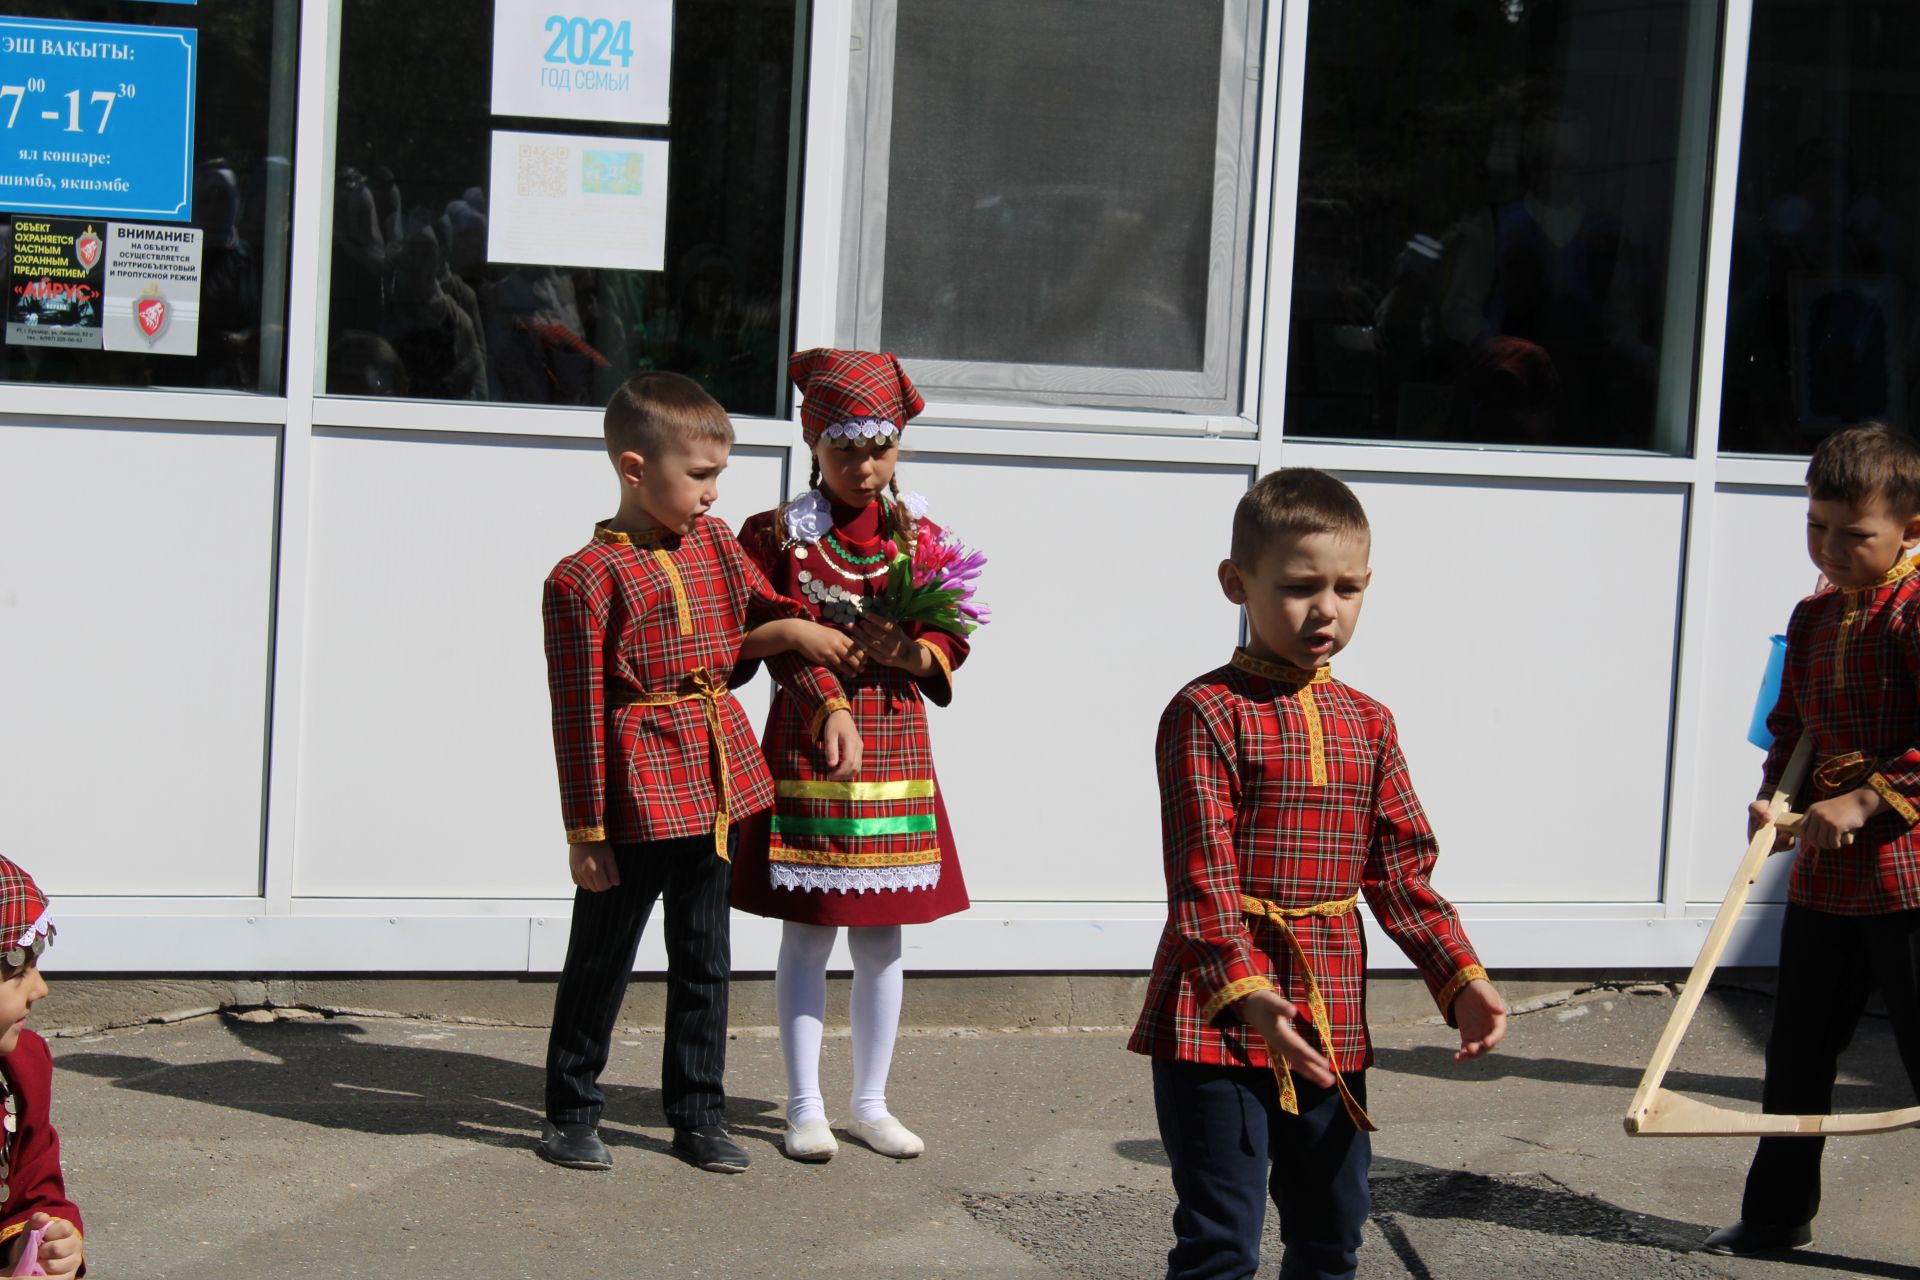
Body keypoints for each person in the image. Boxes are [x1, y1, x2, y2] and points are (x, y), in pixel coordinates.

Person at [1128, 468, 1508, 1280]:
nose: (1326, 609)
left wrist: (1459, 976)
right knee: (1222, 1242)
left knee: (1332, 1229)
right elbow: (1201, 879)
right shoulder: (1206, 711)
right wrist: (1251, 995)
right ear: (1237, 582)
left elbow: (1402, 873)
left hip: (1331, 1013)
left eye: (1348, 588)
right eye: (1300, 586)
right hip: (1217, 1022)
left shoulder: (1369, 722)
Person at [538, 371, 862, 1175]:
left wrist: (829, 704)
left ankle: (697, 1112)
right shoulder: (582, 579)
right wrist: (587, 832)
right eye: (701, 475)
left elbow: (771, 629)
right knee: (601, 958)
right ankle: (573, 1109)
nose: (716, 494)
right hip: (636, 791)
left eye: (720, 474)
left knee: (704, 958)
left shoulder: (716, 545)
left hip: (718, 781)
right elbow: (576, 715)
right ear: (634, 468)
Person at [730, 348, 972, 1163]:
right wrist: (830, 697)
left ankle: (870, 1101)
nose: (865, 467)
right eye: (846, 448)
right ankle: (804, 1105)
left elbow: (951, 634)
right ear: (814, 445)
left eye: (881, 447)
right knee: (808, 932)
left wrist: (912, 652)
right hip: (809, 742)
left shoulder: (923, 535)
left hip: (897, 744)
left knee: (881, 939)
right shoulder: (771, 536)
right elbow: (765, 638)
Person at [1705, 422, 1920, 1256]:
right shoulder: (1813, 616)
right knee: (1797, 1050)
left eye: (1854, 534)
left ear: (1911, 528)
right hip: (1828, 880)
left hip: (1908, 877)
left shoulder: (1912, 612)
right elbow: (1793, 727)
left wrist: (1870, 797)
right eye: (1816, 526)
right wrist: (1772, 807)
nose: (1829, 548)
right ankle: (1774, 1216)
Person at [0, 857, 84, 1276]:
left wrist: (36, 1241)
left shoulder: (20, 1069)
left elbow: (32, 1190)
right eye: (18, 972)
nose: (40, 988)